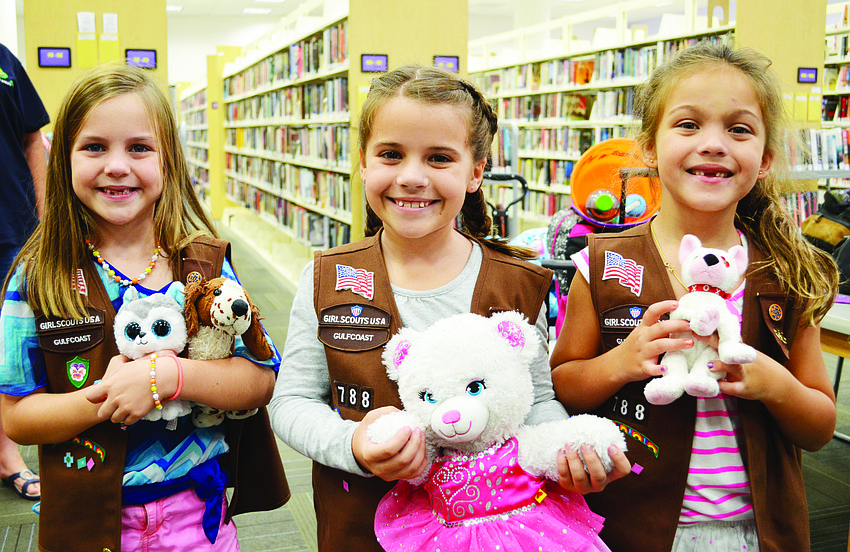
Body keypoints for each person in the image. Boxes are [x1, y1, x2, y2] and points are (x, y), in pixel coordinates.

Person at [268, 64, 630, 552]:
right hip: (360, 528)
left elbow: (538, 400)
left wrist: (565, 448)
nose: (412, 178)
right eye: (391, 155)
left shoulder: (519, 284)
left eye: (439, 158)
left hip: (501, 528)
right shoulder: (327, 278)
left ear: (476, 171)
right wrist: (351, 444)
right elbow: (291, 403)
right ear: (363, 163)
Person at [550, 41, 839, 552]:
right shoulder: (598, 265)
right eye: (688, 124)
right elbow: (564, 385)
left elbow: (819, 428)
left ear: (766, 158)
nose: (713, 143)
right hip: (628, 526)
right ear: (649, 146)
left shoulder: (787, 274)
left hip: (760, 532)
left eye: (739, 129)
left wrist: (775, 384)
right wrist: (623, 361)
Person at [0, 64, 289, 552]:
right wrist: (104, 397)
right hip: (86, 522)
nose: (117, 165)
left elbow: (260, 377)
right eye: (94, 147)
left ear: (168, 161)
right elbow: (17, 416)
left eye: (139, 148)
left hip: (198, 518)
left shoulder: (204, 264)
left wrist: (167, 379)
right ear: (62, 159)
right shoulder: (37, 276)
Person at [0, 42, 49, 502]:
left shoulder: (4, 60)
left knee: (9, 346)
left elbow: (33, 138)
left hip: (12, 228)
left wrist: (44, 216)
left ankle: (7, 455)